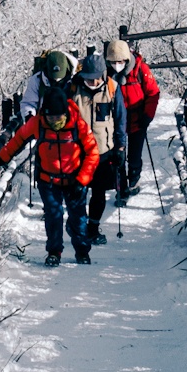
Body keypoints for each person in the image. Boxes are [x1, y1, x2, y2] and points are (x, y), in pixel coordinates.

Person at [0, 83, 98, 266]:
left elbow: (93, 152)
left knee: (78, 217)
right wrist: (1, 157)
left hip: (74, 180)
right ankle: (54, 252)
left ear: (65, 113)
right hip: (48, 180)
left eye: (58, 117)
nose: (54, 121)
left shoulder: (78, 123)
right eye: (51, 117)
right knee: (53, 215)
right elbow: (19, 138)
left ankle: (82, 251)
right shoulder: (38, 123)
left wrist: (82, 179)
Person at [76, 50, 127, 245]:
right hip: (78, 152)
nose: (93, 83)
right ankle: (79, 227)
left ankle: (93, 228)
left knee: (99, 192)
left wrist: (121, 147)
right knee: (78, 192)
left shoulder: (112, 88)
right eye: (89, 79)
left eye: (96, 79)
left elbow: (120, 119)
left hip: (103, 151)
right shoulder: (74, 90)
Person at [106, 35, 160, 195]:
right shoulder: (107, 74)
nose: (117, 65)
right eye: (113, 62)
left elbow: (153, 93)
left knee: (134, 156)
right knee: (118, 156)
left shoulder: (141, 70)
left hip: (138, 120)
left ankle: (134, 181)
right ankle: (121, 188)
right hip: (116, 122)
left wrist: (148, 116)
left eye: (120, 62)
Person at [20, 49, 74, 120]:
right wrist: (30, 118)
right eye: (54, 76)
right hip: (43, 122)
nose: (56, 79)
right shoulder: (37, 80)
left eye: (59, 76)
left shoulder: (75, 80)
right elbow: (29, 103)